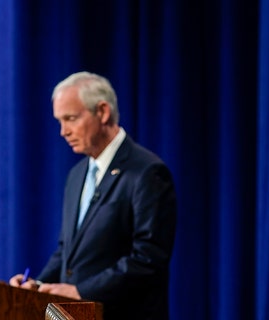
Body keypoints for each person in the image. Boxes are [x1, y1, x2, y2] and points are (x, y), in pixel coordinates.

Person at [10, 71, 177, 320]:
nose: (63, 131)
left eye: (71, 119)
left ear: (103, 112)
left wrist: (81, 291)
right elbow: (67, 252)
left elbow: (148, 259)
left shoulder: (147, 172)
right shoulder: (77, 175)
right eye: (59, 121)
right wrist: (38, 286)